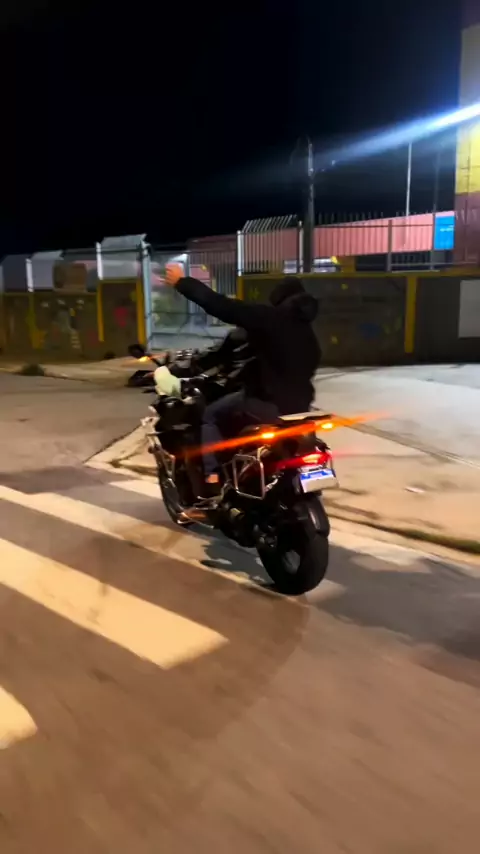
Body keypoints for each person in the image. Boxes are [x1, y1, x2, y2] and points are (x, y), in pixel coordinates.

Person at [164, 264, 321, 496]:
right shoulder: (308, 334)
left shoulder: (269, 318)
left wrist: (182, 282)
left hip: (267, 404)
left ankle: (212, 478)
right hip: (300, 408)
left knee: (210, 416)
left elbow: (222, 306)